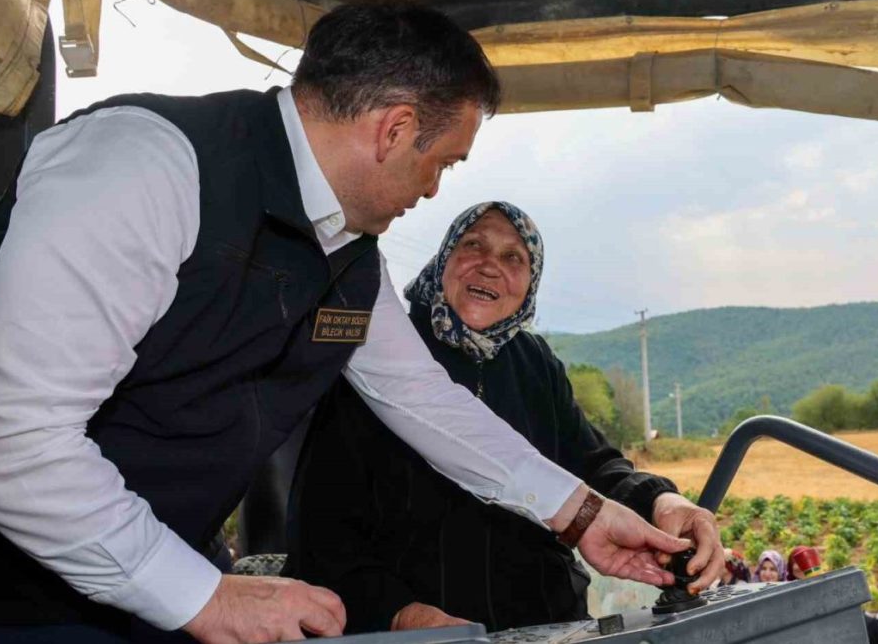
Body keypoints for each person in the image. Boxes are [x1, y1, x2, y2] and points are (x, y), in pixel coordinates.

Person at [0, 3, 700, 643]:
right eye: (441, 162)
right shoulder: (146, 165)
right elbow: (4, 438)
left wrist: (582, 516)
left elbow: (424, 401)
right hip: (8, 602)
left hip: (157, 588)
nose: (432, 189)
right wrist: (202, 595)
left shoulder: (348, 256)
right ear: (395, 129)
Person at [283, 201, 725, 633]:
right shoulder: (380, 359)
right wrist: (399, 614)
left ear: (530, 284)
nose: (490, 266)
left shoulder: (535, 363)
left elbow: (592, 464)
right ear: (444, 258)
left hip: (545, 622)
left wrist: (663, 502)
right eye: (473, 246)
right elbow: (321, 535)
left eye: (513, 256)